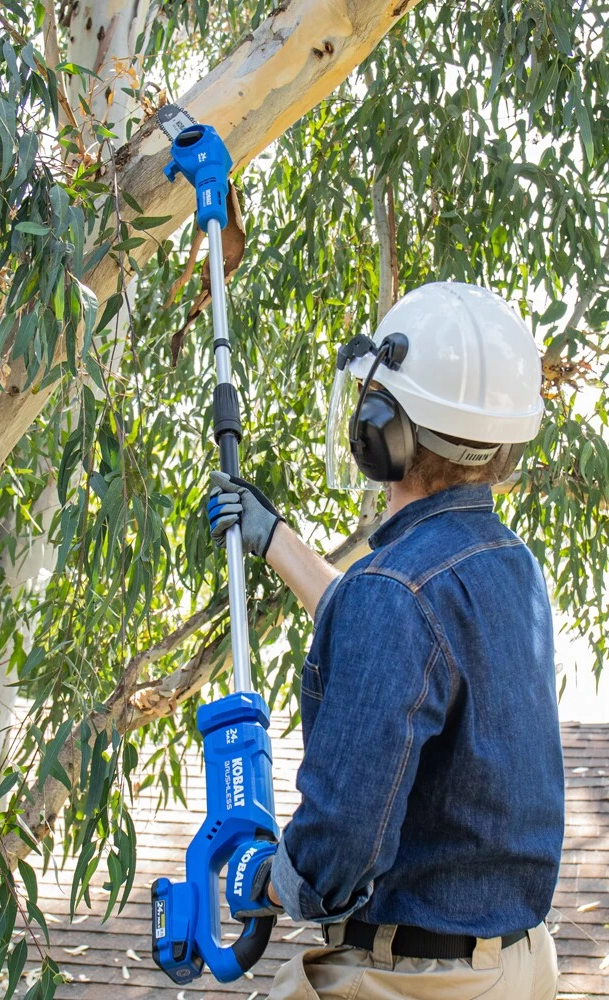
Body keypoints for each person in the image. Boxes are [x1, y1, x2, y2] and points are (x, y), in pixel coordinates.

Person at [207, 282, 564, 999]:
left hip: (415, 979)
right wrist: (274, 539)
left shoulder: (394, 596)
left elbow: (339, 847)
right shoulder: (508, 563)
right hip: (520, 965)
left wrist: (267, 882)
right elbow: (403, 635)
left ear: (379, 430)